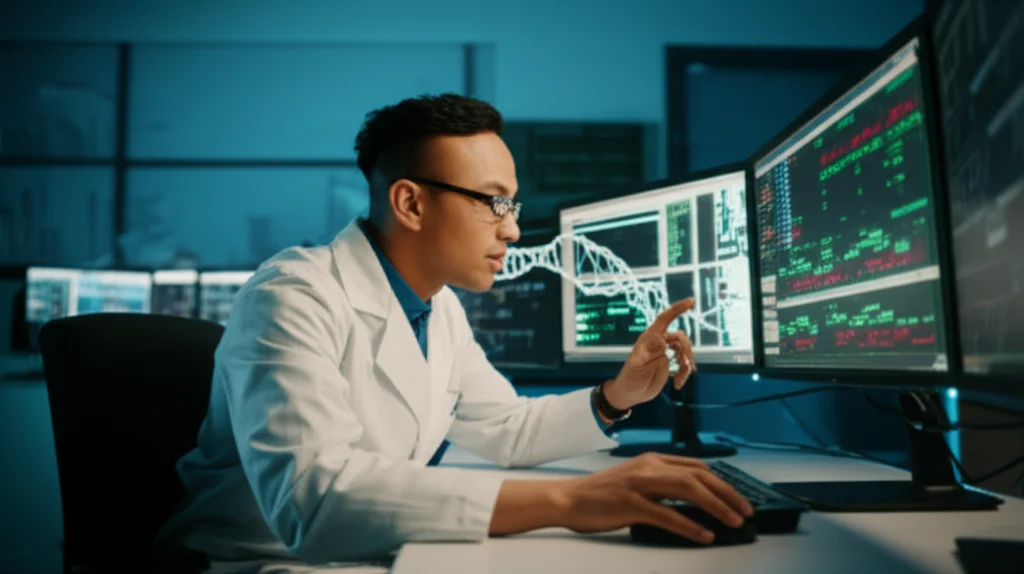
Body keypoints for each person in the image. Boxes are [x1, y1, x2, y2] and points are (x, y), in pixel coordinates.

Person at [155, 93, 753, 567]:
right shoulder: (290, 296)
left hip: (370, 555)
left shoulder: (436, 308)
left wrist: (617, 395)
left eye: (513, 206)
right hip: (257, 562)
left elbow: (506, 428)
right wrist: (569, 501)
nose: (513, 231)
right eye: (494, 203)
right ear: (410, 204)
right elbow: (312, 499)